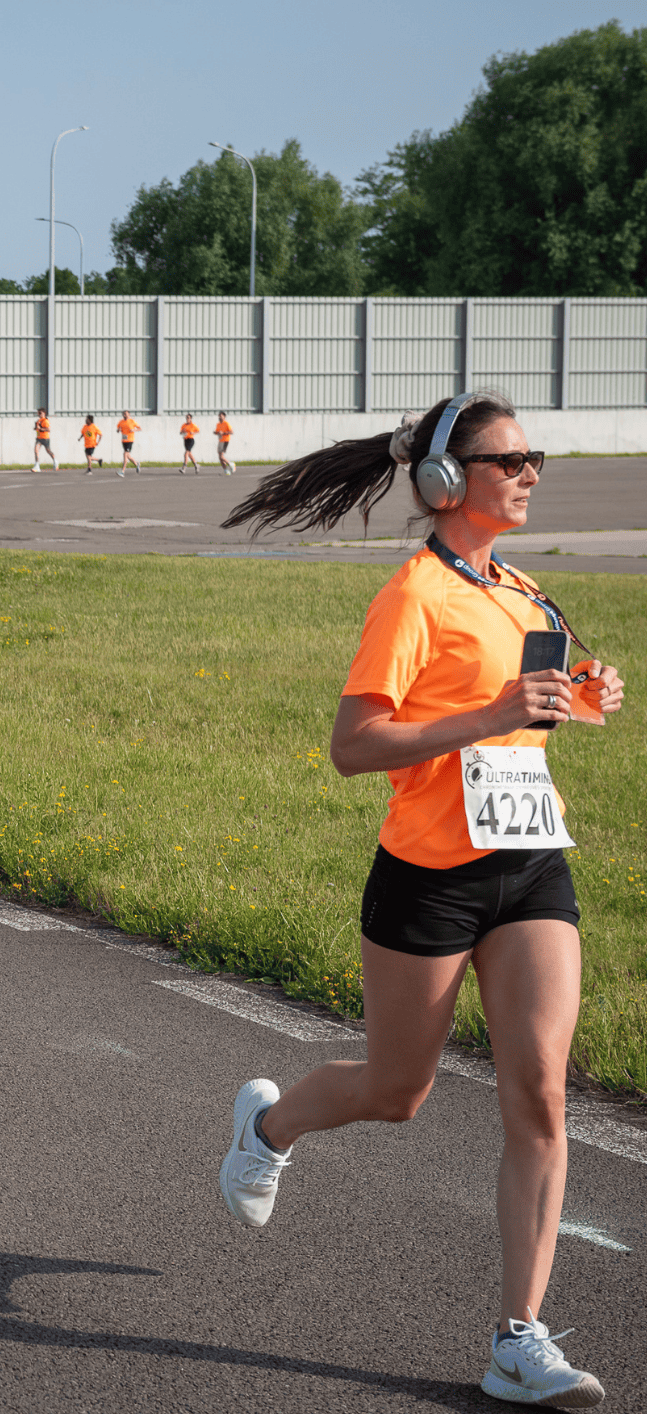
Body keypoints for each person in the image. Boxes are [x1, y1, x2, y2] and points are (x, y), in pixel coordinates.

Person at [217, 393, 624, 1410]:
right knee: (400, 1091)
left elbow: (527, 716)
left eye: (534, 457)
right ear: (445, 483)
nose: (529, 471)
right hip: (429, 873)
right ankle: (268, 1129)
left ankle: (514, 1338)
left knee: (539, 1088)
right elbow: (352, 746)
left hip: (530, 859)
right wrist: (487, 712)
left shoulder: (526, 592)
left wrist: (579, 695)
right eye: (509, 458)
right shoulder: (411, 597)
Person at [31, 407, 59, 472]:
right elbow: (37, 428)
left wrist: (40, 429)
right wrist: (36, 428)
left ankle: (55, 460)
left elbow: (48, 429)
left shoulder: (45, 421)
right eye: (38, 413)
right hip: (39, 438)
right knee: (36, 450)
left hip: (45, 438)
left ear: (44, 413)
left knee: (48, 451)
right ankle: (37, 466)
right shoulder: (38, 420)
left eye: (40, 413)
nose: (39, 414)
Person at [117, 411, 141, 475]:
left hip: (130, 440)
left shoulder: (132, 421)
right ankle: (137, 464)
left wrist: (134, 430)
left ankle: (122, 471)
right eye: (124, 414)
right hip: (124, 440)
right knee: (128, 456)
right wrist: (118, 429)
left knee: (125, 455)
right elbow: (118, 430)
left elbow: (139, 428)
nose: (125, 415)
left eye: (126, 414)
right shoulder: (121, 422)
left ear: (129, 414)